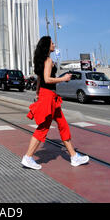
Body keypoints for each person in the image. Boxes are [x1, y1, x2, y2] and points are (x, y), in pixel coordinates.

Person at [21, 36, 89, 170]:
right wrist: (63, 78)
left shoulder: (42, 60)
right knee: (43, 128)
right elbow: (47, 79)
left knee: (63, 125)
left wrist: (37, 93)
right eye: (52, 43)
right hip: (48, 97)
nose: (54, 44)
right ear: (47, 46)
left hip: (50, 96)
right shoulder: (48, 60)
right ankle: (28, 157)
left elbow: (40, 78)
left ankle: (74, 156)